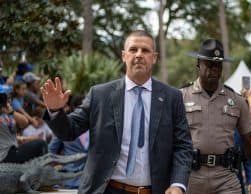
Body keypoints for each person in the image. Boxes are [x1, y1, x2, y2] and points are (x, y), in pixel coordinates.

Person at [41, 30, 193, 194]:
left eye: (145, 50)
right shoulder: (100, 95)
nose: (139, 55)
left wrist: (178, 184)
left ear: (154, 57)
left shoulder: (172, 97)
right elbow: (69, 131)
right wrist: (56, 110)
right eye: (133, 49)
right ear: (124, 55)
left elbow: (183, 146)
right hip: (107, 189)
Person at [181, 38, 251, 194]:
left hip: (226, 178)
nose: (214, 69)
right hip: (191, 177)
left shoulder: (237, 101)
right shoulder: (181, 97)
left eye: (218, 65)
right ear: (198, 64)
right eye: (209, 64)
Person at [0, 93, 47, 163]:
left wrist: (12, 112)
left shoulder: (8, 114)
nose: (9, 101)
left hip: (14, 149)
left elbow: (24, 123)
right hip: (4, 155)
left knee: (40, 144)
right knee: (41, 144)